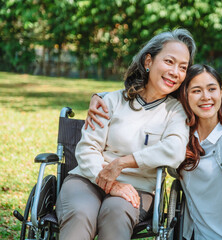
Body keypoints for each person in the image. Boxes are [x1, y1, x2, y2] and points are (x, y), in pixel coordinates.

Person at [87, 64, 222, 240]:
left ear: (221, 93)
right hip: (193, 235)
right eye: (196, 90)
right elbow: (145, 103)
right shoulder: (178, 136)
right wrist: (101, 96)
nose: (206, 97)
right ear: (184, 96)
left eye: (212, 89)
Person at [55, 28, 196, 240]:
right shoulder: (111, 101)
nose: (175, 72)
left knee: (115, 214)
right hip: (87, 179)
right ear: (148, 61)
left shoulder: (175, 112)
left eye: (182, 67)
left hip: (138, 189)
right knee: (81, 213)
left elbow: (174, 152)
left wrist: (121, 163)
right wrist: (109, 182)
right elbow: (87, 149)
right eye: (169, 62)